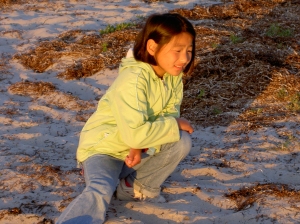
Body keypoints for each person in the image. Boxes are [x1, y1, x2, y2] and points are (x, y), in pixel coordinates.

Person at [56, 12, 196, 224]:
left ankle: (133, 188)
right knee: (100, 189)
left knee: (180, 140)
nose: (184, 58)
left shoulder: (172, 76)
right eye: (177, 51)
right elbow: (152, 127)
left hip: (133, 147)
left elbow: (165, 115)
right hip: (104, 150)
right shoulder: (133, 79)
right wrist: (171, 125)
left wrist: (137, 147)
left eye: (189, 51)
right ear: (152, 47)